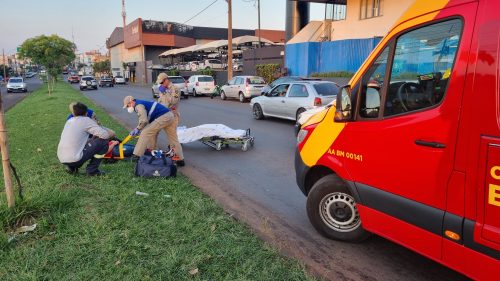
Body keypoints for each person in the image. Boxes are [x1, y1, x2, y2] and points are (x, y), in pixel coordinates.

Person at [123, 95, 185, 166]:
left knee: (145, 133)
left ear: (131, 102)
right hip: (169, 115)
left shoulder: (138, 106)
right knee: (173, 138)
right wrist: (139, 128)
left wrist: (138, 129)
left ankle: (136, 156)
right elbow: (147, 121)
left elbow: (143, 120)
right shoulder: (141, 103)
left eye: (128, 106)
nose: (128, 108)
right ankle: (180, 160)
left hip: (163, 117)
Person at [57, 102, 117, 176]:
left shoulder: (69, 121)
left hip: (62, 158)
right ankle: (92, 170)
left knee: (87, 144)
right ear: (86, 113)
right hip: (75, 159)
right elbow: (105, 135)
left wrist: (92, 139)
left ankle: (71, 168)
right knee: (103, 142)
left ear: (74, 113)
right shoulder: (86, 120)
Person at [154, 73, 184, 163]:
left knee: (172, 138)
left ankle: (179, 159)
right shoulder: (163, 90)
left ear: (166, 80)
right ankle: (153, 152)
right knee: (153, 132)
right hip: (162, 115)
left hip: (172, 115)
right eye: (160, 83)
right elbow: (160, 101)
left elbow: (173, 101)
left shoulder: (175, 89)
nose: (161, 84)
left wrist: (165, 92)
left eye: (162, 82)